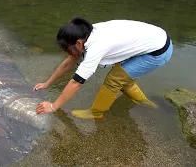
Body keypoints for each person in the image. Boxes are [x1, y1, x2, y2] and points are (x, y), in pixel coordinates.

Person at [34, 17, 173, 119]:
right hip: (157, 38)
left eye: (67, 49)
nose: (66, 52)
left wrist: (53, 106)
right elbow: (70, 60)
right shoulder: (86, 33)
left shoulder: (96, 48)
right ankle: (145, 103)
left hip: (157, 52)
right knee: (124, 78)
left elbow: (76, 83)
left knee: (115, 79)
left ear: (78, 43)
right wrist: (47, 83)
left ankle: (96, 112)